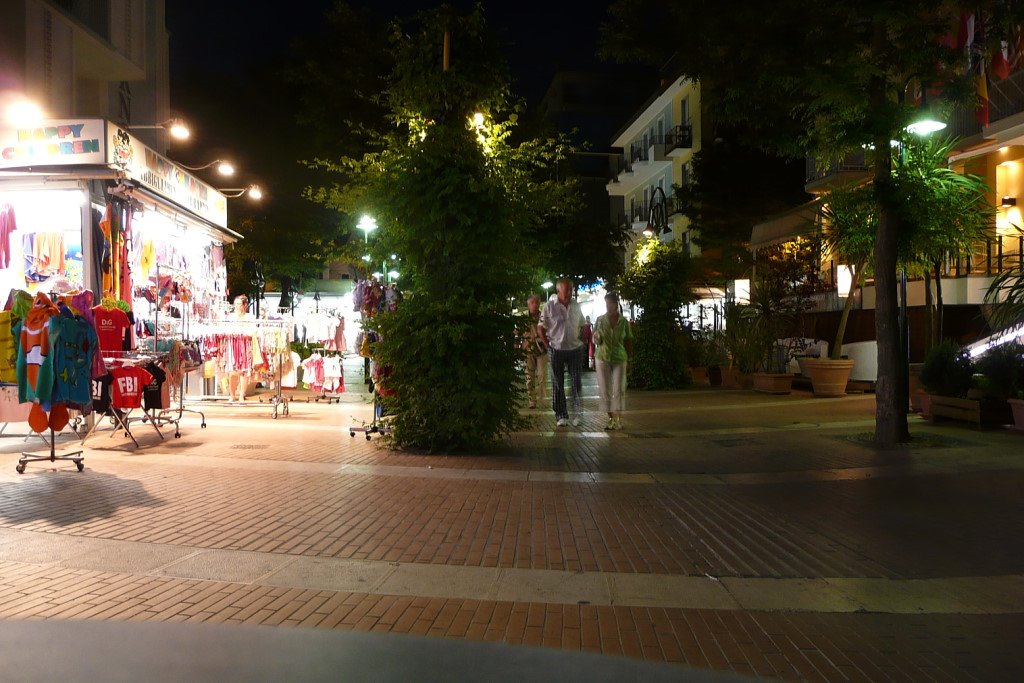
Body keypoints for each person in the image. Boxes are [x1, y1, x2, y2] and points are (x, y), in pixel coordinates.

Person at [537, 278, 585, 427]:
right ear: (558, 291)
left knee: (576, 382)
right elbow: (541, 328)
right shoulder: (549, 307)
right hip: (556, 349)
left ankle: (577, 414)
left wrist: (580, 341)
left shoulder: (576, 306)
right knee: (558, 383)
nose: (569, 293)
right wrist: (547, 345)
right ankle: (561, 415)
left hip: (574, 349)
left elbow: (582, 324)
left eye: (571, 290)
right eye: (566, 290)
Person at [593, 292, 632, 430]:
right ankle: (610, 418)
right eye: (607, 303)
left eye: (611, 303)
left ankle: (618, 418)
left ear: (616, 304)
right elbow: (594, 339)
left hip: (619, 357)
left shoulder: (624, 322)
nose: (608, 306)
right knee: (605, 389)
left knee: (619, 389)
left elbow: (628, 341)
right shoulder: (599, 320)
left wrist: (630, 359)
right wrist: (596, 337)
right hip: (602, 356)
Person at [522, 295, 547, 409]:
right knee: (529, 377)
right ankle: (532, 399)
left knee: (542, 376)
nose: (535, 304)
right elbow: (517, 333)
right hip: (528, 350)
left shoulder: (544, 316)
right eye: (532, 302)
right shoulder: (523, 318)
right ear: (528, 304)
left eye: (537, 302)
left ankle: (541, 398)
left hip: (542, 350)